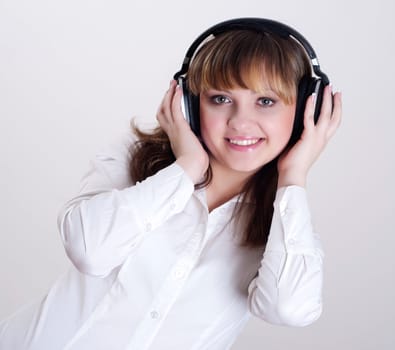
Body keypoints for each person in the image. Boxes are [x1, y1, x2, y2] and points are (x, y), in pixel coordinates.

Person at [0, 18, 342, 350]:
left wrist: (294, 176)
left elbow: (289, 308)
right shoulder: (131, 159)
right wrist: (187, 168)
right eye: (221, 99)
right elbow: (90, 252)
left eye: (265, 101)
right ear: (190, 103)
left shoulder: (286, 221)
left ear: (304, 113)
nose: (241, 121)